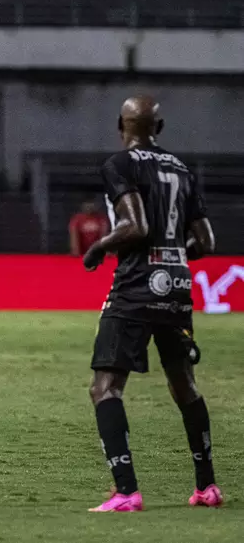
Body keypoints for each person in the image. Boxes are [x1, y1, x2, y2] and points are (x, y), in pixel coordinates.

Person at [83, 96, 221, 512]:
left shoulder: (119, 165)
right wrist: (173, 253)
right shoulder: (182, 169)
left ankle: (126, 492)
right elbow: (207, 243)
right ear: (158, 127)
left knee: (105, 387)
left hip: (137, 284)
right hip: (177, 284)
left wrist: (99, 248)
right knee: (184, 384)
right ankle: (207, 488)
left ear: (120, 125)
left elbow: (135, 225)